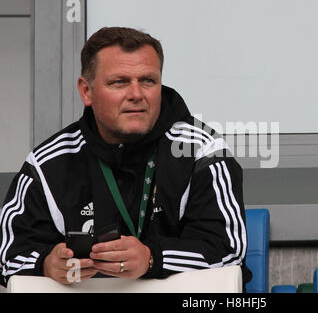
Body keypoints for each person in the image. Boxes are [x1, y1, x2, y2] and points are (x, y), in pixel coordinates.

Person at [0, 27, 250, 287]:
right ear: (86, 91)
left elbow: (228, 251)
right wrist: (46, 264)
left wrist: (153, 258)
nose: (136, 94)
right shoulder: (47, 163)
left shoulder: (202, 150)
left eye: (148, 81)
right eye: (119, 82)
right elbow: (8, 256)